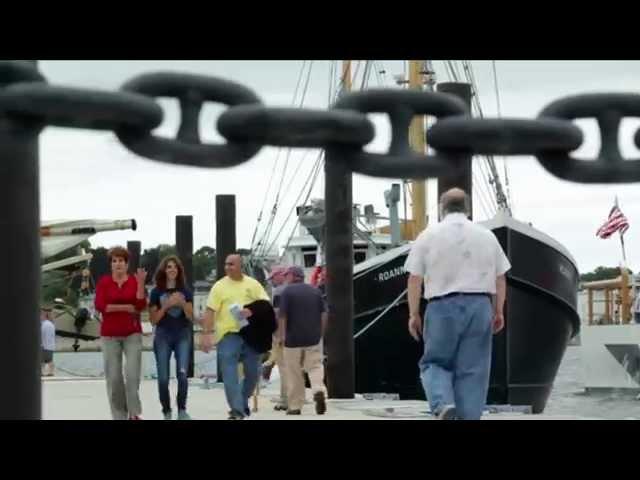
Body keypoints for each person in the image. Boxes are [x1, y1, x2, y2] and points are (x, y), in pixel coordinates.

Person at [404, 188, 511, 420]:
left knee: (435, 362)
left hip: (442, 305)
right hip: (480, 305)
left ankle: (443, 404)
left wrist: (414, 313)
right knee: (474, 370)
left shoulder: (428, 235)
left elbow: (414, 278)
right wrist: (498, 310)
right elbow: (500, 277)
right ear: (468, 208)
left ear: (442, 208)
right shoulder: (486, 236)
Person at [201, 254, 270, 420]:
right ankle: (237, 411)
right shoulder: (219, 286)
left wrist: (251, 311)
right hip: (228, 335)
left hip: (251, 334)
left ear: (240, 266)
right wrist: (206, 334)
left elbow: (265, 306)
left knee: (253, 374)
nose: (227, 267)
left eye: (231, 264)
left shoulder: (253, 285)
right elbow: (210, 311)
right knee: (229, 373)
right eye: (226, 264)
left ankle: (240, 402)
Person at [94, 246, 147, 420]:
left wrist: (140, 284)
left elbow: (139, 306)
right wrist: (127, 307)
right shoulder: (104, 282)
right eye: (114, 261)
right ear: (110, 264)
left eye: (121, 261)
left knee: (132, 375)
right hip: (109, 335)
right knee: (114, 378)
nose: (118, 264)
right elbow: (101, 306)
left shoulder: (134, 281)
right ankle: (119, 416)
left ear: (127, 264)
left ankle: (134, 413)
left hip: (132, 334)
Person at [278, 266, 328, 415]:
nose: (285, 277)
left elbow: (282, 316)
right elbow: (324, 314)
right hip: (313, 338)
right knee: (315, 367)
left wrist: (282, 336)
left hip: (292, 339)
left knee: (294, 372)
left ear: (293, 276)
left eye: (287, 275)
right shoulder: (315, 291)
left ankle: (295, 406)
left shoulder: (286, 292)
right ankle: (318, 390)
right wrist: (320, 333)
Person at [149, 255, 194, 420]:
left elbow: (190, 316)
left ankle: (182, 409)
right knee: (163, 378)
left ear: (179, 270)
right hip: (163, 336)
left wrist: (181, 303)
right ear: (164, 270)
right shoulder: (156, 292)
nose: (172, 269)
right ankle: (166, 410)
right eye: (168, 267)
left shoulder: (185, 291)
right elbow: (153, 320)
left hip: (182, 334)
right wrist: (167, 305)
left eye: (175, 266)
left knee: (182, 375)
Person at [262, 265, 289, 410]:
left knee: (283, 368)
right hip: (296, 335)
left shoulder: (279, 292)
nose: (271, 281)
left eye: (272, 278)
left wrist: (278, 335)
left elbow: (278, 315)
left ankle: (285, 400)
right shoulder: (292, 289)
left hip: (282, 335)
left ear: (280, 275)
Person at [40, 308, 56, 377]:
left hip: (44, 345)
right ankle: (51, 372)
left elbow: (42, 335)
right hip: (51, 346)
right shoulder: (51, 324)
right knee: (50, 360)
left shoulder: (44, 324)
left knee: (41, 361)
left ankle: (42, 372)